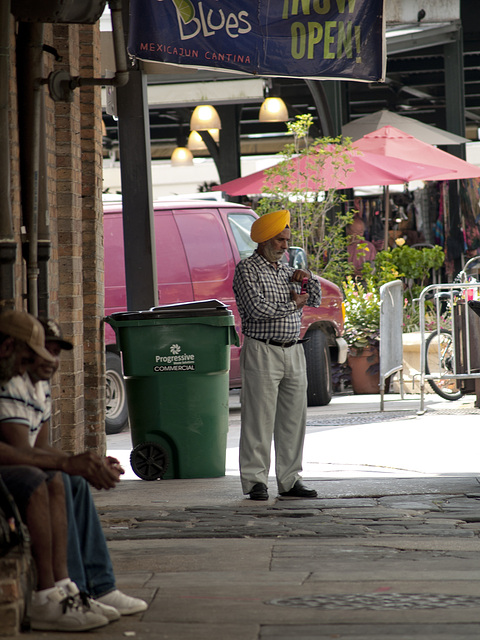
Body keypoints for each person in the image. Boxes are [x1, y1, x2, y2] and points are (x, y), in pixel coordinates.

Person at [0, 314, 147, 619]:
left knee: (72, 480)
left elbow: (38, 447)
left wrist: (85, 462)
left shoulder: (27, 382)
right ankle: (61, 589)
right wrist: (69, 463)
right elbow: (16, 452)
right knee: (52, 479)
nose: (26, 367)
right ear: (8, 348)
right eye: (29, 358)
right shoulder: (11, 381)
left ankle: (95, 586)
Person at [232, 209, 322, 501]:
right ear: (265, 240)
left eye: (286, 240)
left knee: (294, 419)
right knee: (259, 418)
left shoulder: (288, 271)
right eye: (280, 240)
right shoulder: (247, 269)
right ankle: (255, 481)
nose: (285, 246)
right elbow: (256, 311)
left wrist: (307, 279)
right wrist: (293, 305)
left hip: (293, 349)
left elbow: (316, 300)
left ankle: (291, 479)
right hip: (262, 348)